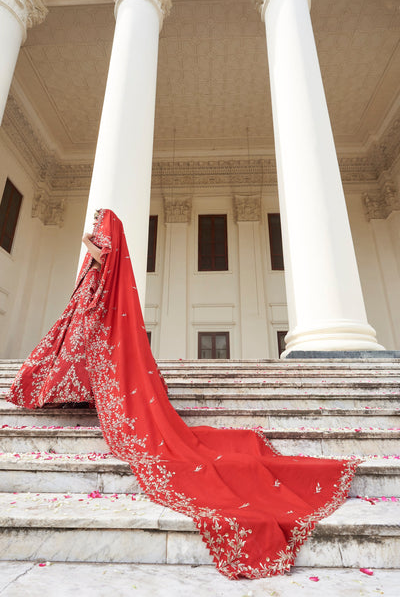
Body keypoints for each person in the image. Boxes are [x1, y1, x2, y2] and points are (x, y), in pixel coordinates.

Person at [7, 209, 361, 579]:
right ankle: (62, 390)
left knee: (86, 351)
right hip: (90, 304)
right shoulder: (105, 250)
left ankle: (63, 389)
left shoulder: (105, 243)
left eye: (99, 221)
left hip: (95, 305)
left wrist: (88, 243)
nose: (95, 224)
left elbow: (100, 257)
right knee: (76, 347)